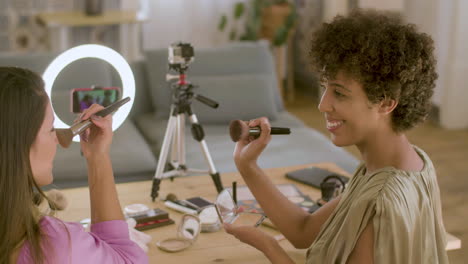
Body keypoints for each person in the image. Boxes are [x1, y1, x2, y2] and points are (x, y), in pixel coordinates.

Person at [223, 10, 449, 264]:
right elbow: (303, 231)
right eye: (325, 88)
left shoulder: (381, 200)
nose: (322, 105)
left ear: (386, 103)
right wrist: (247, 165)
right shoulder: (404, 164)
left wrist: (269, 247)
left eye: (339, 93)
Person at [0, 67, 148, 263]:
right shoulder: (54, 246)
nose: (58, 140)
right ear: (16, 143)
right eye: (51, 128)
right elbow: (128, 259)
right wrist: (98, 157)